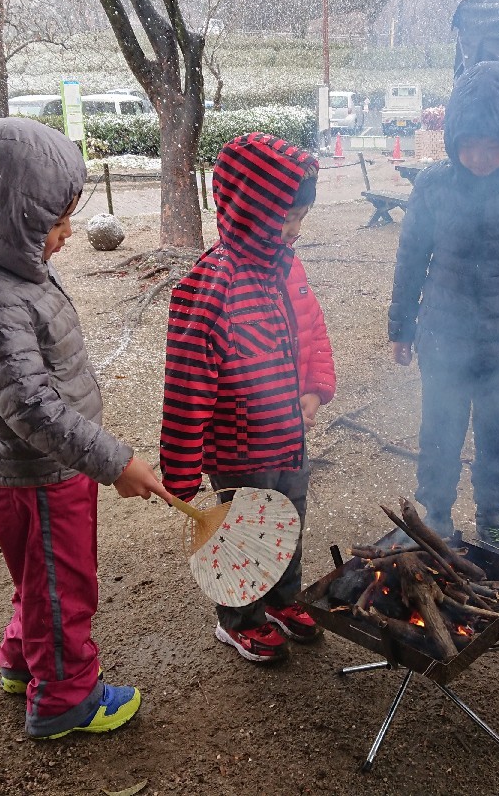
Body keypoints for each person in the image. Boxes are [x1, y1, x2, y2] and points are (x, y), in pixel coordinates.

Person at [0, 118, 172, 739]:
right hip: (39, 474)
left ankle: (23, 661)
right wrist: (115, 461)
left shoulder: (8, 267)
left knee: (38, 580)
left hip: (42, 469)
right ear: (14, 218)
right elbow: (34, 409)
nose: (69, 234)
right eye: (57, 222)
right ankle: (65, 698)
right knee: (62, 587)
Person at [388, 61, 499, 557]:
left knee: (497, 434)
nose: (480, 157)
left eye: (492, 147)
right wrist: (401, 327)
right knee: (440, 429)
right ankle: (438, 516)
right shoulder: (433, 186)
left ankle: (491, 517)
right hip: (443, 335)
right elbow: (411, 260)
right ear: (453, 140)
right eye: (469, 145)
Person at [161, 132, 333, 663]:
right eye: (285, 219)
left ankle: (283, 600)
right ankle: (239, 619)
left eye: (300, 217)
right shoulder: (208, 286)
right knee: (243, 531)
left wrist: (311, 386)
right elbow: (188, 387)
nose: (294, 231)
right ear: (248, 209)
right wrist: (182, 472)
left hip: (285, 435)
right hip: (237, 446)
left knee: (288, 520)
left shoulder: (279, 269)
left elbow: (300, 333)